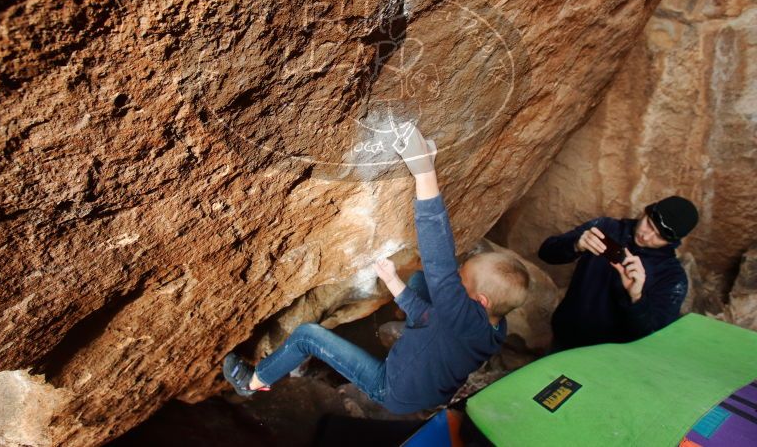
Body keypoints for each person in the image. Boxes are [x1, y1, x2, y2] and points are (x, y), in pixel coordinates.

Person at [222, 124, 530, 414]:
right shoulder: (494, 327)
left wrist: (424, 172)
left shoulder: (462, 316)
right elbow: (435, 308)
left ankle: (254, 382)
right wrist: (393, 282)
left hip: (393, 389)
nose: (458, 271)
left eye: (462, 277)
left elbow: (440, 258)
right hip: (430, 384)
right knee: (423, 282)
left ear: (481, 301)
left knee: (306, 336)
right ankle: (415, 335)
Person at [538, 195, 699, 351]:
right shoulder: (606, 229)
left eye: (659, 236)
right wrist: (575, 245)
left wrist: (636, 298)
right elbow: (545, 252)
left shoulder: (672, 278)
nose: (646, 235)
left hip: (610, 360)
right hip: (563, 340)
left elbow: (651, 339)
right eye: (649, 224)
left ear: (672, 242)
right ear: (645, 212)